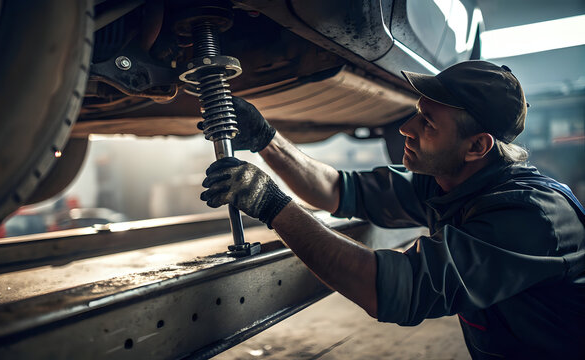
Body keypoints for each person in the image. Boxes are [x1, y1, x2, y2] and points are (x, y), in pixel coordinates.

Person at [200, 61, 585, 359]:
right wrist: (267, 139)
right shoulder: (450, 180)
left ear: (476, 147)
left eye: (428, 123)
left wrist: (270, 203)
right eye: (418, 113)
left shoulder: (531, 217)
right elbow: (337, 189)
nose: (406, 128)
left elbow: (391, 289)